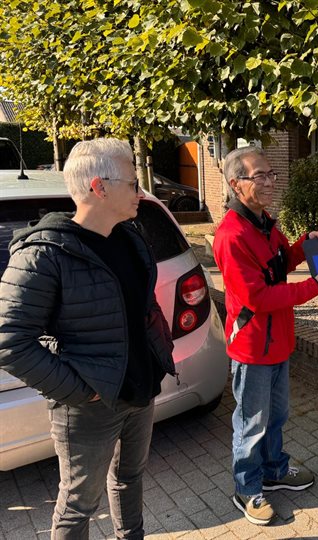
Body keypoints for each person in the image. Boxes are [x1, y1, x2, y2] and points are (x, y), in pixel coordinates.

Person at [0, 138, 176, 539]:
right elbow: (9, 340)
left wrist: (157, 355)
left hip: (140, 390)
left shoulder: (129, 239)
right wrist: (81, 390)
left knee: (130, 478)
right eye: (133, 183)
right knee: (79, 506)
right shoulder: (44, 253)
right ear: (99, 186)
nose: (140, 191)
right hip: (90, 405)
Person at [213, 147, 318, 526]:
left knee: (277, 415)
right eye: (260, 176)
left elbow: (281, 261)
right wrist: (314, 287)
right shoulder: (231, 236)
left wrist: (305, 245)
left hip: (278, 342)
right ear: (237, 185)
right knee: (252, 423)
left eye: (271, 174)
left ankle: (274, 469)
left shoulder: (265, 221)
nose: (270, 181)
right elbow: (258, 296)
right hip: (252, 347)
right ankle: (247, 488)